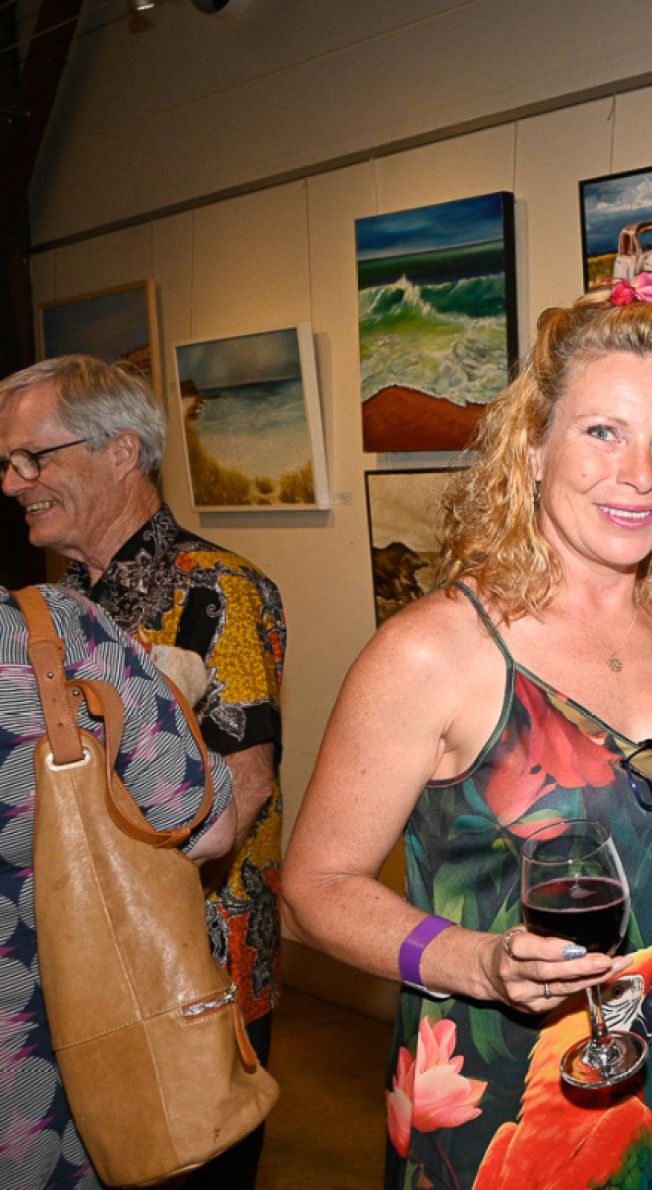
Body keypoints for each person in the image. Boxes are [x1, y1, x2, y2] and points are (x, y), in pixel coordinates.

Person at [282, 298, 652, 1188]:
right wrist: (480, 964)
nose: (639, 474)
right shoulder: (436, 650)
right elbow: (311, 890)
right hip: (505, 1103)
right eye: (603, 431)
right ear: (533, 448)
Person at [0, 355, 286, 1186]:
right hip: (83, 959)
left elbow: (247, 785)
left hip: (191, 966)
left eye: (33, 458)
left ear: (121, 450)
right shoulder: (59, 599)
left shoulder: (217, 590)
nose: (15, 483)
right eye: (6, 462)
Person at [0, 584, 238, 1189]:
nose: (14, 482)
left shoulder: (225, 586)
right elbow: (200, 823)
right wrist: (170, 695)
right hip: (54, 1084)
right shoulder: (45, 631)